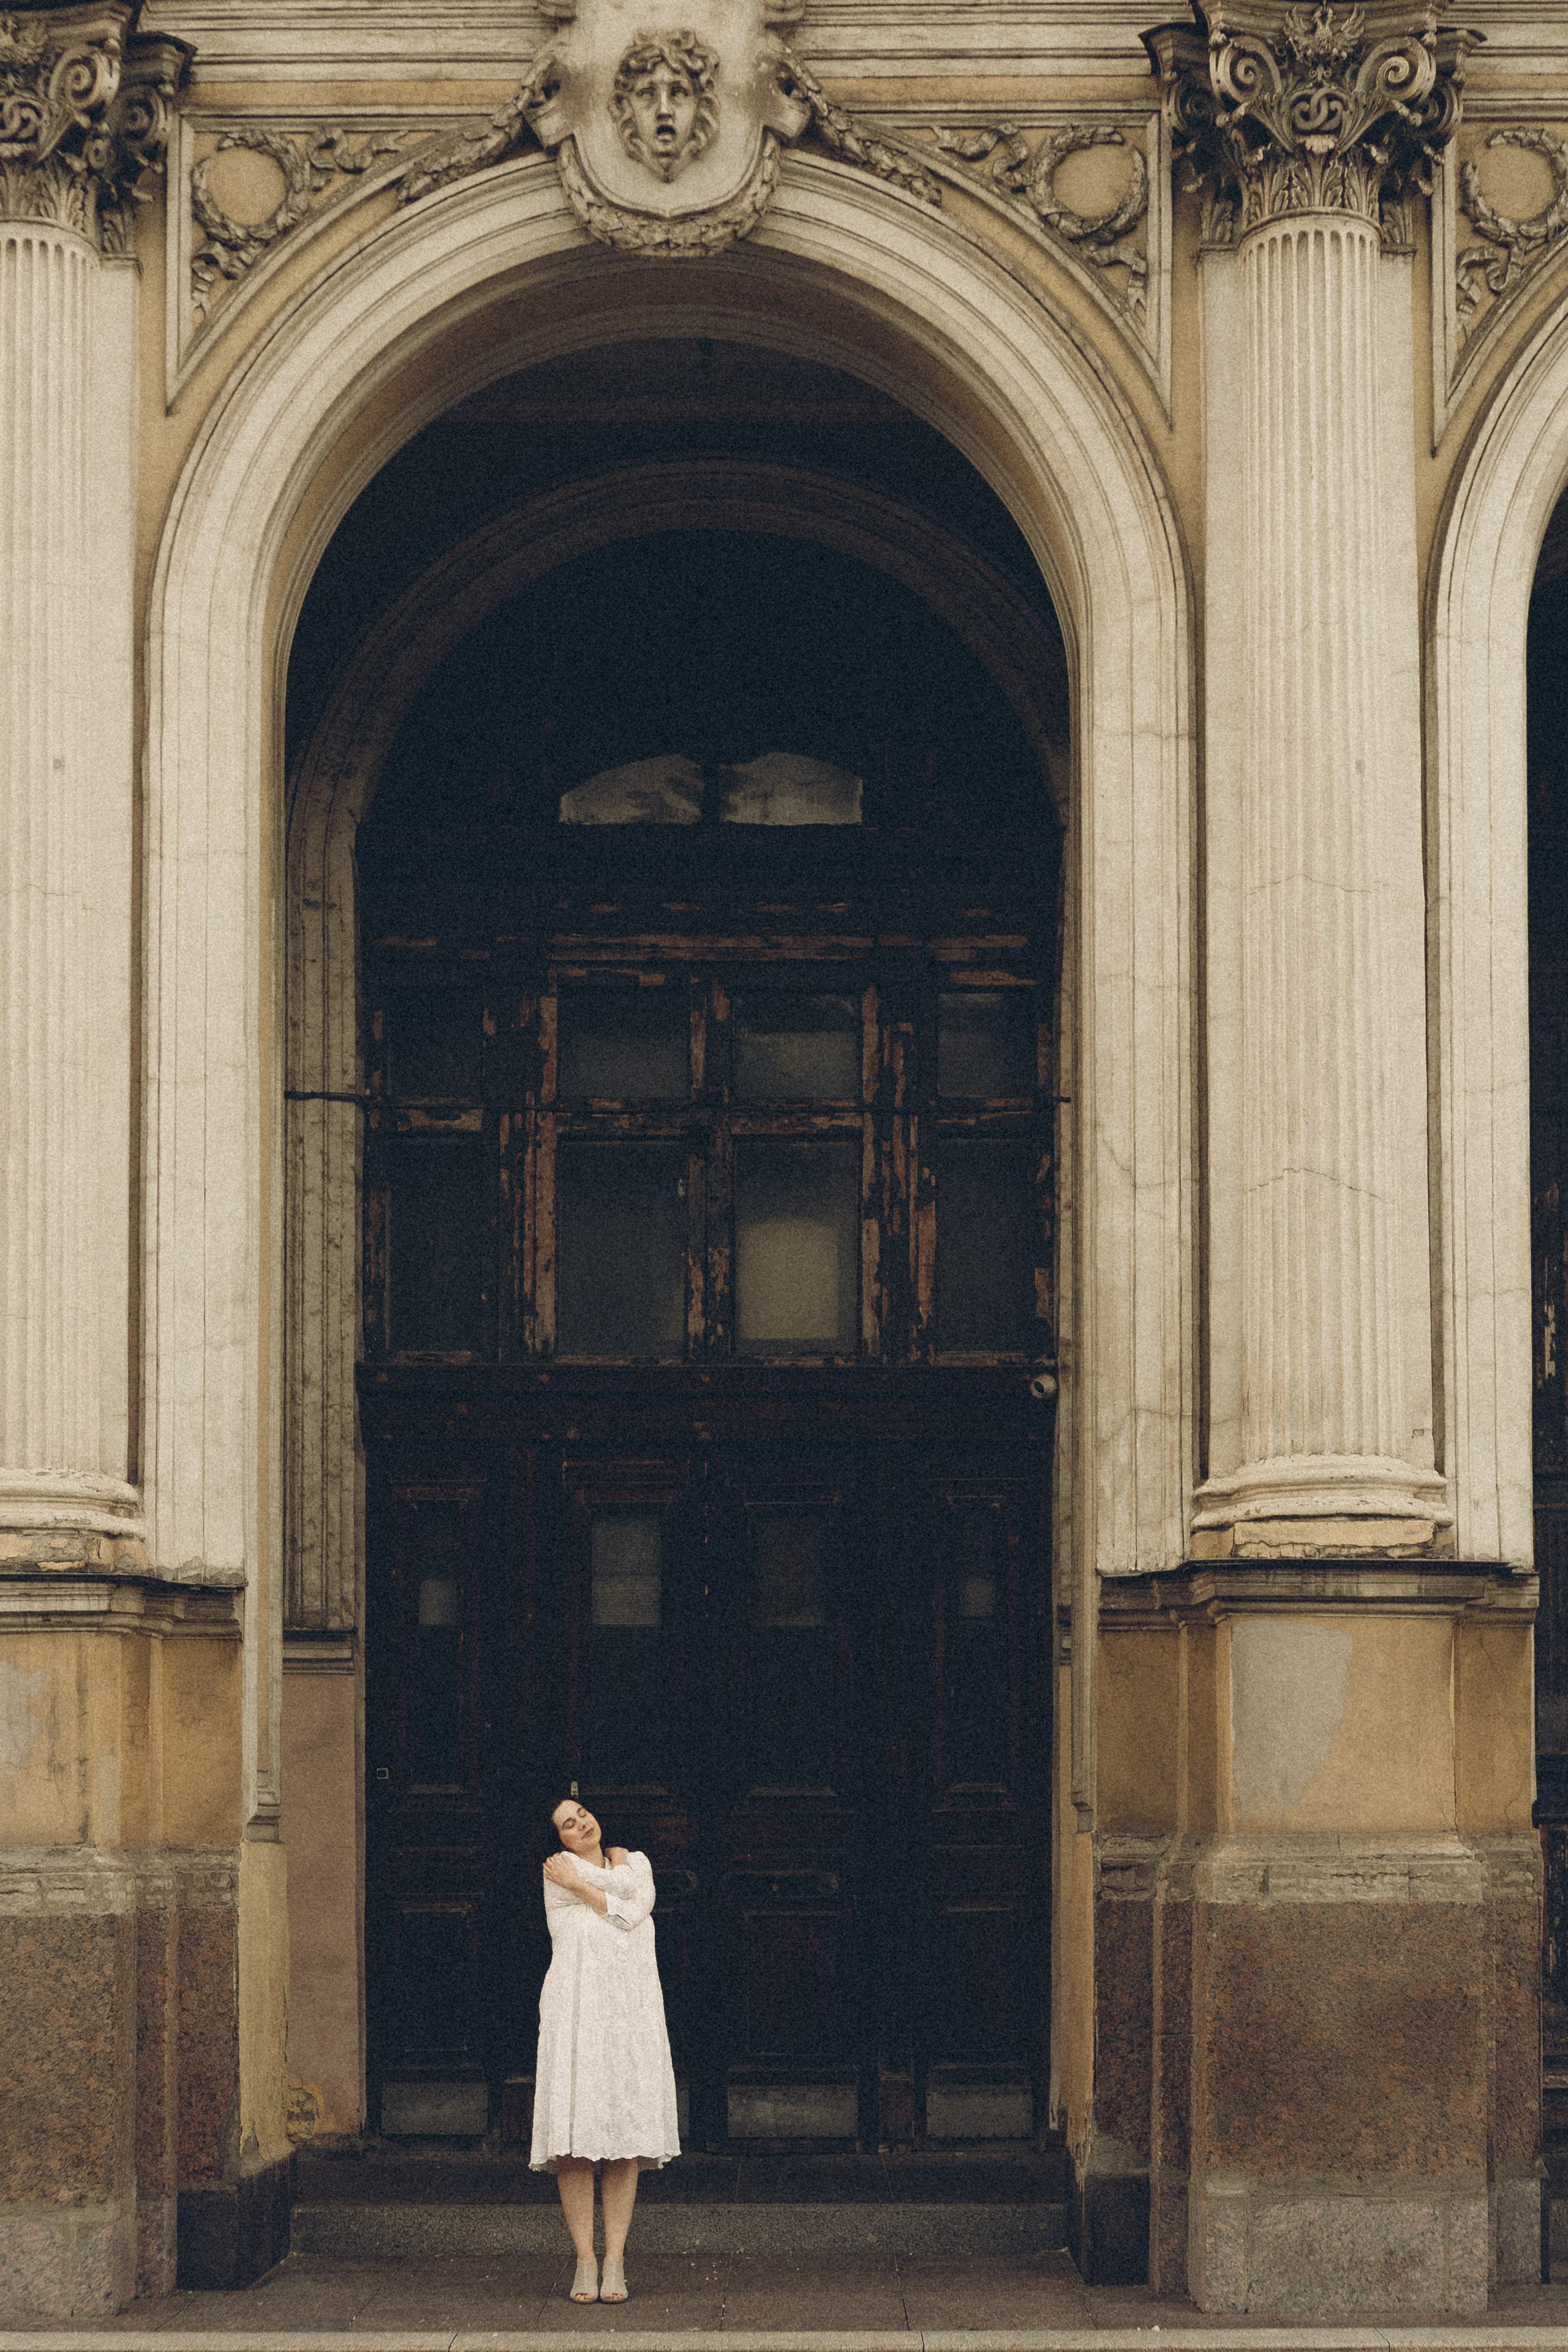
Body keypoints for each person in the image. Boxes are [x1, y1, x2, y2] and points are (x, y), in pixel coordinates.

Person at [531, 1796, 681, 2303]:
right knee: (573, 2141)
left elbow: (638, 1911)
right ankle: (584, 2260)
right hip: (576, 2014)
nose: (581, 1824)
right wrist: (588, 1883)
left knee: (624, 2139)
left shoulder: (635, 1862)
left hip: (628, 2015)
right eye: (568, 1825)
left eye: (583, 1815)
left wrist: (589, 1885)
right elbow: (623, 1910)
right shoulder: (558, 1871)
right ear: (561, 1842)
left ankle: (614, 2260)